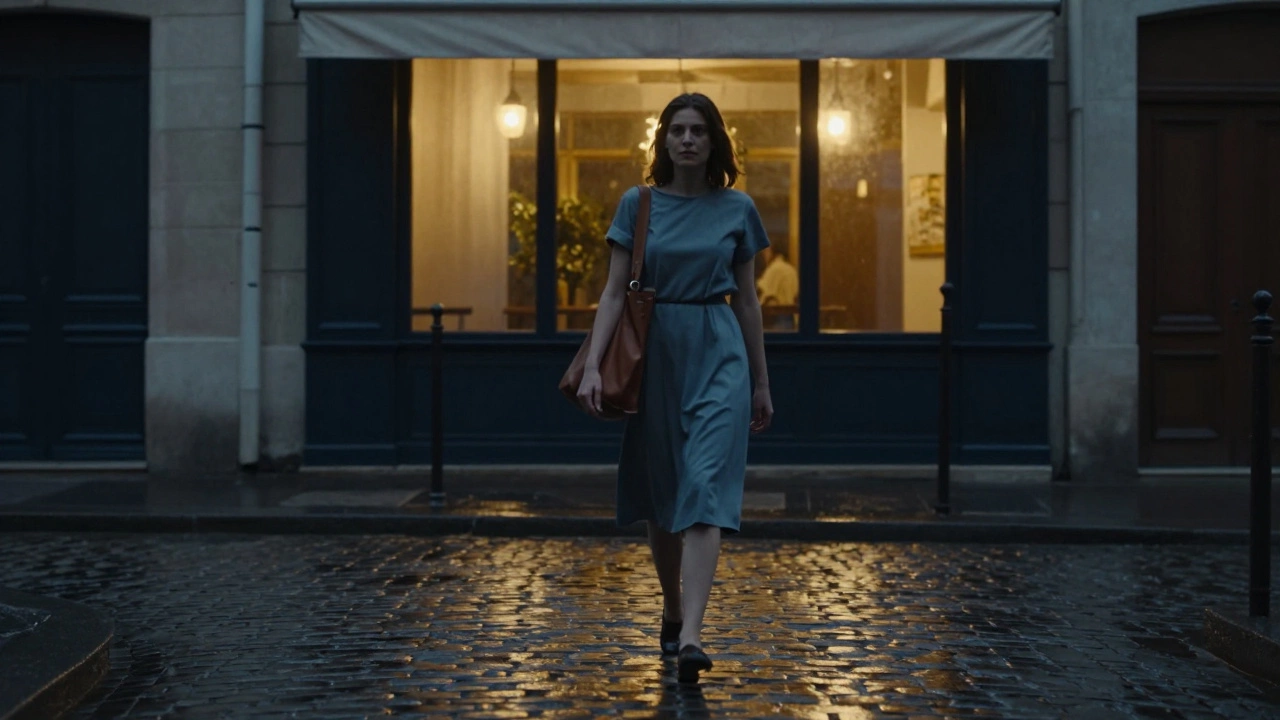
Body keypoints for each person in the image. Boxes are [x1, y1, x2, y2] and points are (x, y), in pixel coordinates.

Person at [575, 93, 774, 684]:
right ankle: (671, 606)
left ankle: (691, 636)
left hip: (719, 347)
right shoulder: (638, 205)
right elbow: (613, 292)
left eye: (698, 131)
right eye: (677, 130)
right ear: (662, 141)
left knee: (706, 486)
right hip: (654, 349)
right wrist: (591, 366)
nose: (687, 139)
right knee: (662, 497)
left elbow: (750, 302)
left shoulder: (738, 208)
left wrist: (761, 382)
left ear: (715, 142)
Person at [756, 246, 798, 329]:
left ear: (772, 252)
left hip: (777, 318)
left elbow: (762, 291)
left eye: (766, 252)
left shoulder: (774, 269)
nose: (765, 256)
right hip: (791, 316)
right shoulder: (791, 269)